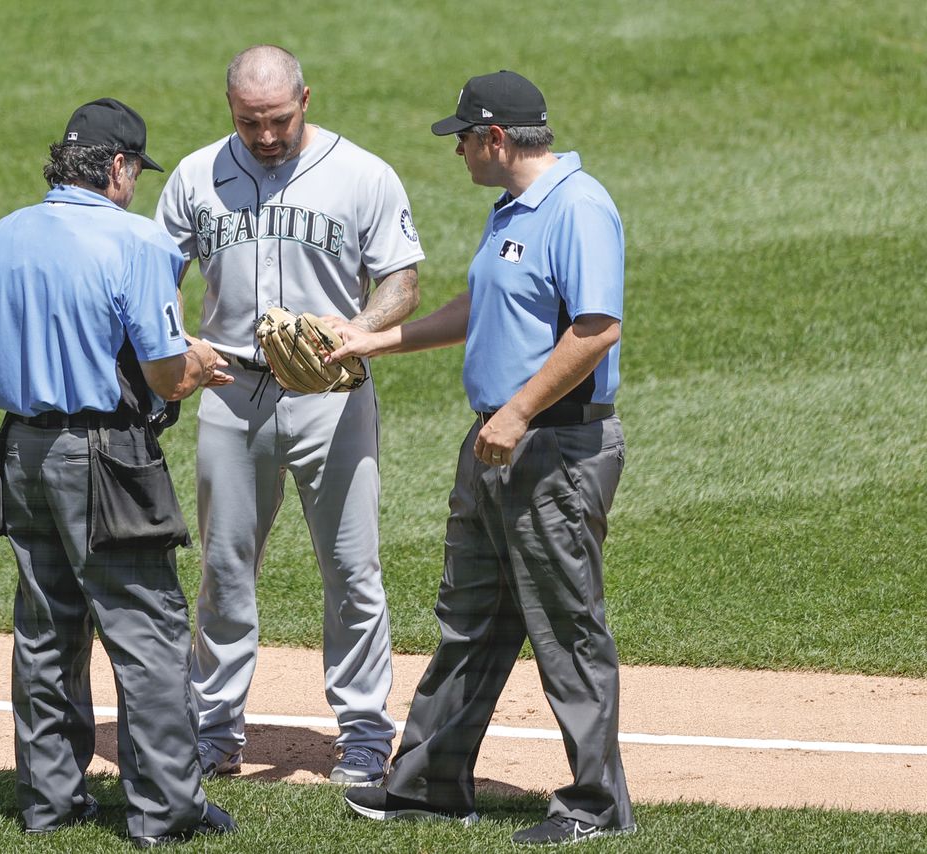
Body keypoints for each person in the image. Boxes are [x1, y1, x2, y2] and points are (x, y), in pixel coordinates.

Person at [333, 71, 637, 845]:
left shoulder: (578, 206)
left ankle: (596, 808)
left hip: (553, 445)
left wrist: (517, 412)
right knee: (469, 619)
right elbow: (478, 307)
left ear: (495, 139)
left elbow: (598, 328)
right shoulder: (511, 210)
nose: (459, 150)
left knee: (567, 630)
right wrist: (374, 339)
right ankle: (431, 784)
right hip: (499, 444)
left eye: (463, 137)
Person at [0, 97, 236, 848]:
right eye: (134, 172)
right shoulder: (136, 240)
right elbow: (163, 371)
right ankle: (166, 812)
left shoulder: (8, 231)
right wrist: (197, 365)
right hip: (104, 459)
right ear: (117, 166)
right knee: (147, 631)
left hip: (20, 452)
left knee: (47, 631)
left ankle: (51, 804)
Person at [153, 45, 424, 786]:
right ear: (229, 108)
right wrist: (179, 346)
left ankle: (365, 732)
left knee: (352, 567)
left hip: (332, 397)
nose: (266, 136)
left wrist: (358, 330)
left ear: (307, 98)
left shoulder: (362, 173)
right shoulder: (194, 176)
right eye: (250, 122)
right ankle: (214, 728)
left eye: (277, 119)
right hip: (231, 392)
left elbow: (401, 281)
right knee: (224, 567)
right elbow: (153, 282)